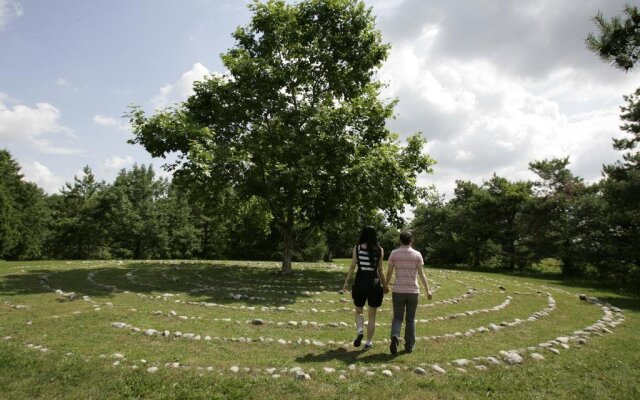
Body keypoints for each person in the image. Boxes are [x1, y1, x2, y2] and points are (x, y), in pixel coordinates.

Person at [342, 226, 389, 350]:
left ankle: (360, 331)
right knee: (372, 315)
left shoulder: (357, 248)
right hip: (374, 282)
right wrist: (385, 285)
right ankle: (368, 342)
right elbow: (380, 269)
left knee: (359, 311)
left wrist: (346, 282)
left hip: (360, 281)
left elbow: (352, 266)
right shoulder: (380, 250)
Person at [385, 231, 432, 354]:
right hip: (413, 292)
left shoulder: (394, 253)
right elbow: (421, 274)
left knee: (397, 317)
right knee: (410, 319)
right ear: (411, 241)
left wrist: (385, 284)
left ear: (400, 240)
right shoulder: (417, 254)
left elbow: (389, 271)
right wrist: (428, 290)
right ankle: (409, 346)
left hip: (398, 291)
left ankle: (395, 336)